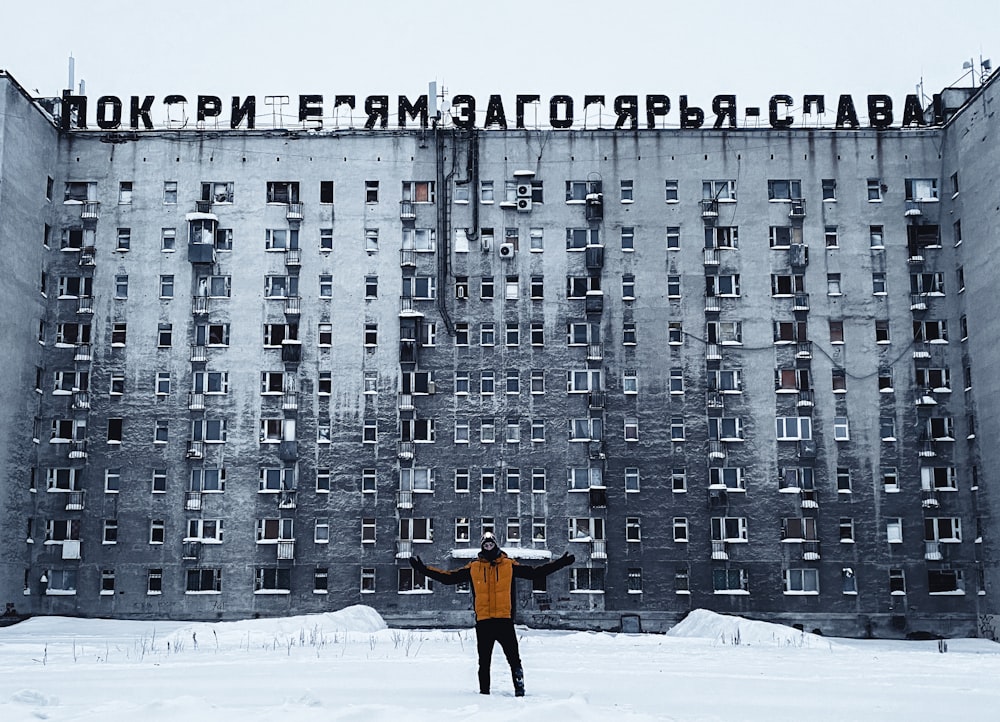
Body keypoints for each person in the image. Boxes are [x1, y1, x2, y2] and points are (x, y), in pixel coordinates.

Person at [409, 531, 574, 697]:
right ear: (482, 546)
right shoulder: (473, 567)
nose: (488, 546)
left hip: (504, 620)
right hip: (484, 622)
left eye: (491, 543)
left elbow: (535, 573)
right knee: (484, 662)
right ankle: (484, 694)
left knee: (514, 659)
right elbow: (448, 578)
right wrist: (423, 570)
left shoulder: (508, 564)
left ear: (495, 544)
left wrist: (560, 563)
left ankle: (519, 690)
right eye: (485, 544)